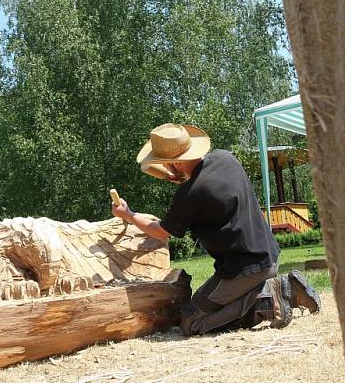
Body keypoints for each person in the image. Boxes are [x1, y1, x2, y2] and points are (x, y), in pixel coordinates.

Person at [111, 123, 321, 336]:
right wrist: (183, 176)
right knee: (213, 305)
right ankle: (282, 292)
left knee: (191, 320)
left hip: (245, 270)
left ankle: (267, 300)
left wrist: (128, 214)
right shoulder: (225, 158)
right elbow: (208, 187)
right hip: (269, 257)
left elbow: (161, 231)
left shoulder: (190, 194)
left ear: (172, 163)